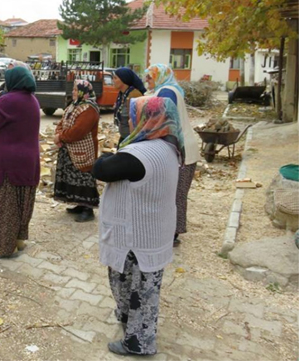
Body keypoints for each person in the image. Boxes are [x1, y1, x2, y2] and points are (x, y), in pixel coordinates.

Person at [93, 95, 183, 356]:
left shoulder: (139, 154)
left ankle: (139, 343)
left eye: (132, 116)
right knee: (144, 288)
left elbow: (102, 169)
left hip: (135, 236)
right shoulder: (168, 146)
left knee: (135, 289)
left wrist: (108, 155)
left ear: (144, 119)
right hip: (154, 231)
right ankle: (128, 322)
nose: (129, 121)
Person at [0, 67, 40, 259]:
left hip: (7, 165)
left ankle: (5, 249)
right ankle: (18, 241)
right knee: (21, 204)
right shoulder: (32, 100)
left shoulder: (8, 100)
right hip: (27, 162)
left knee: (5, 207)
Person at [145, 63, 200, 246]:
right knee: (176, 193)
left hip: (181, 150)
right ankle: (171, 232)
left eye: (150, 77)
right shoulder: (169, 89)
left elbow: (162, 121)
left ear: (160, 77)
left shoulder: (167, 92)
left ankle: (172, 234)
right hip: (182, 147)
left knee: (175, 194)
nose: (147, 80)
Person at [53, 80, 101, 222]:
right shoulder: (75, 105)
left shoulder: (89, 109)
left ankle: (88, 208)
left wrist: (60, 137)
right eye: (73, 89)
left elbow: (78, 131)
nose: (73, 92)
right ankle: (79, 204)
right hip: (69, 148)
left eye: (75, 89)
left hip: (83, 151)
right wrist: (59, 134)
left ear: (82, 92)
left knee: (83, 177)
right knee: (71, 176)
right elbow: (62, 122)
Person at [112, 68, 146, 146]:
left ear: (124, 79)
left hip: (132, 140)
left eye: (115, 78)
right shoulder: (122, 95)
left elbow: (139, 122)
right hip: (124, 138)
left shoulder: (134, 95)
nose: (113, 80)